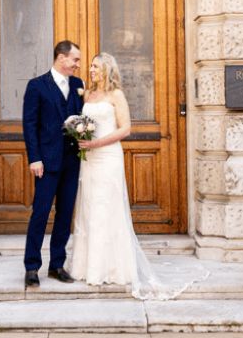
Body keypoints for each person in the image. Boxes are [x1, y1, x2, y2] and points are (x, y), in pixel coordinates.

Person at [70, 53, 201, 299]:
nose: (91, 70)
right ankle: (88, 267)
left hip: (107, 156)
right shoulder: (87, 94)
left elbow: (125, 128)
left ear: (107, 69)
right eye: (90, 66)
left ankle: (113, 267)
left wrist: (97, 143)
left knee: (107, 207)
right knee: (89, 207)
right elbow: (83, 122)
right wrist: (80, 136)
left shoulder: (115, 95)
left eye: (96, 66)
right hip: (89, 160)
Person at [21, 40, 85, 288]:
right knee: (40, 213)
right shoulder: (37, 86)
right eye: (75, 60)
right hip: (45, 163)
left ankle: (57, 264)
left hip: (72, 161)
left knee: (65, 214)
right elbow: (30, 125)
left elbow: (82, 119)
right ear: (61, 57)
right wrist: (34, 158)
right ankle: (31, 266)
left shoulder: (78, 85)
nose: (77, 65)